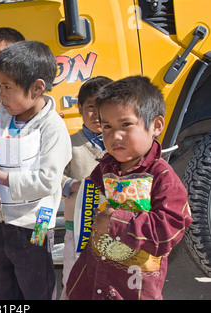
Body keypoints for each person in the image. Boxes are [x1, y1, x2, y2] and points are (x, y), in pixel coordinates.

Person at [65, 75, 193, 300]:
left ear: (156, 125)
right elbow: (89, 207)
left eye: (126, 125)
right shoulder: (105, 168)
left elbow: (169, 230)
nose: (115, 135)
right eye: (107, 126)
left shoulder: (162, 176)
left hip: (133, 287)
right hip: (93, 277)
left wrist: (116, 222)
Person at [0, 41, 72, 300]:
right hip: (0, 224)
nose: (0, 95)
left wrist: (3, 178)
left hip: (37, 225)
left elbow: (48, 180)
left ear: (37, 88)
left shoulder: (52, 128)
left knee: (37, 287)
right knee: (4, 289)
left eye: (7, 87)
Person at [60, 76, 112, 299]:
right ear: (80, 108)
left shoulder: (120, 144)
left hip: (111, 228)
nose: (98, 115)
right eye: (91, 107)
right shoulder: (69, 143)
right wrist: (72, 185)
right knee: (74, 278)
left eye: (104, 107)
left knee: (108, 278)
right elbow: (53, 176)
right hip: (77, 227)